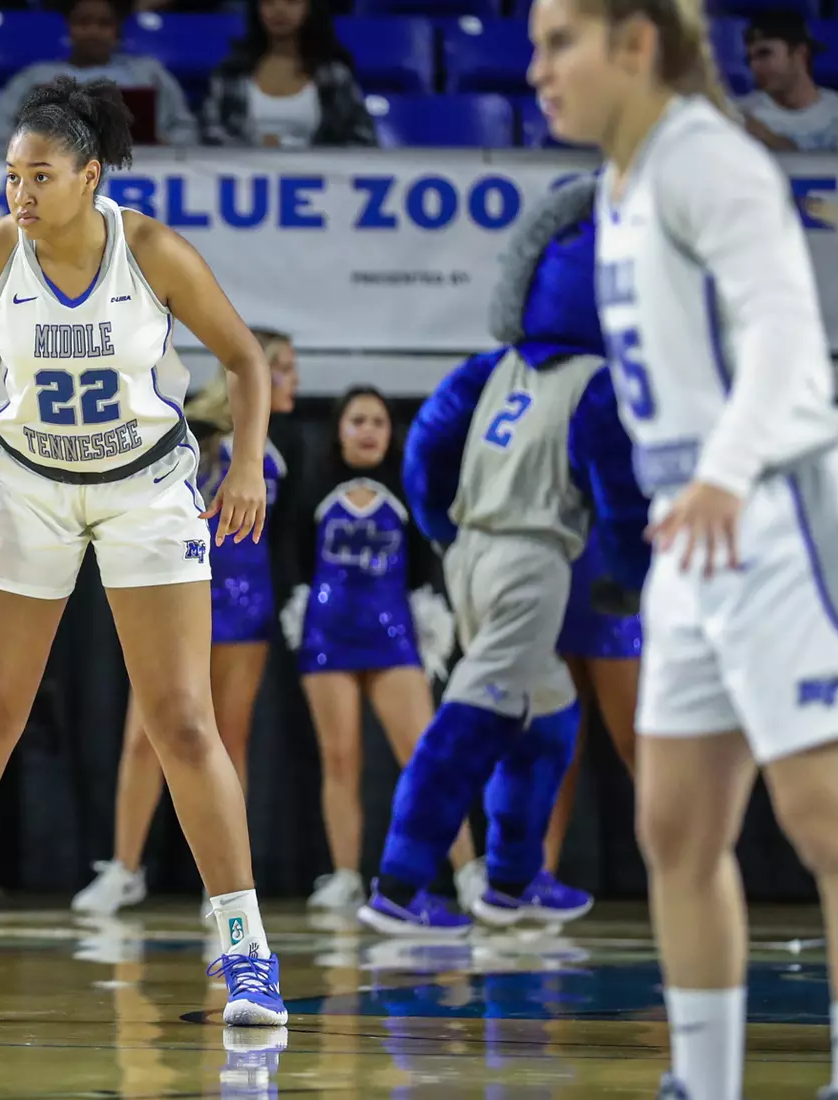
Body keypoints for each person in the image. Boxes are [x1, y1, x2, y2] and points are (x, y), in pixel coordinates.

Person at [530, 1, 838, 1098]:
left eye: (561, 42)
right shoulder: (620, 181)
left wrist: (721, 472)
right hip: (695, 527)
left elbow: (788, 333)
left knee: (831, 823)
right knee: (673, 824)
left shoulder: (710, 159)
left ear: (637, 44)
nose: (535, 68)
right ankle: (702, 1081)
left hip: (785, 506)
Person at [0, 76, 286, 1028]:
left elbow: (246, 357)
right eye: (11, 175)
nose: (19, 193)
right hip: (26, 489)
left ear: (89, 177)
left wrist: (249, 461)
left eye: (39, 175)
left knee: (184, 720)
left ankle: (249, 955)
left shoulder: (151, 251)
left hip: (145, 487)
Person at [358, 176, 647, 936]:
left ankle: (513, 883)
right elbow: (619, 495)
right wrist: (627, 578)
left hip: (469, 553)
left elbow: (424, 448)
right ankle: (399, 880)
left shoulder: (491, 368)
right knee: (472, 717)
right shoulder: (598, 385)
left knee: (548, 716)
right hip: (532, 561)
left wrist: (440, 527)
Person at [71, 331, 298, 917]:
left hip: (246, 598)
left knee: (228, 737)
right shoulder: (188, 431)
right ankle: (124, 869)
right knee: (143, 736)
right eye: (283, 369)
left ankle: (220, 882)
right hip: (177, 588)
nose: (292, 381)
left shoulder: (278, 447)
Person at [277, 386, 464, 914]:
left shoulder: (408, 486)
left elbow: (427, 568)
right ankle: (345, 875)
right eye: (357, 420)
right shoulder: (312, 487)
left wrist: (428, 627)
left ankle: (468, 872)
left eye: (378, 422)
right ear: (338, 429)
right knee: (340, 760)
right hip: (327, 639)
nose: (367, 430)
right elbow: (293, 558)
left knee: (427, 759)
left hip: (393, 637)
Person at [540, 529, 642, 874]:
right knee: (551, 743)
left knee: (639, 742)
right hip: (546, 554)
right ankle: (530, 881)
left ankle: (692, 875)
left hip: (609, 558)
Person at [0, 0, 198, 148]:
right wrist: (26, 145)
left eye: (103, 24)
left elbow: (187, 130)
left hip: (140, 169)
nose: (93, 31)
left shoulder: (149, 74)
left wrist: (166, 147)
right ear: (69, 29)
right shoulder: (36, 76)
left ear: (116, 32)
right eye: (83, 23)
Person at [200, 0, 377, 148]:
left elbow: (363, 139)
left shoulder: (335, 76)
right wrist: (254, 151)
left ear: (310, 7)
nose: (279, 9)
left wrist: (304, 156)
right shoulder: (230, 73)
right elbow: (210, 134)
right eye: (268, 2)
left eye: (291, 1)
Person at [736, 15, 838, 153]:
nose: (754, 67)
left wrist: (769, 139)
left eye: (764, 54)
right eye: (750, 59)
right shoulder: (738, 113)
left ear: (800, 53)